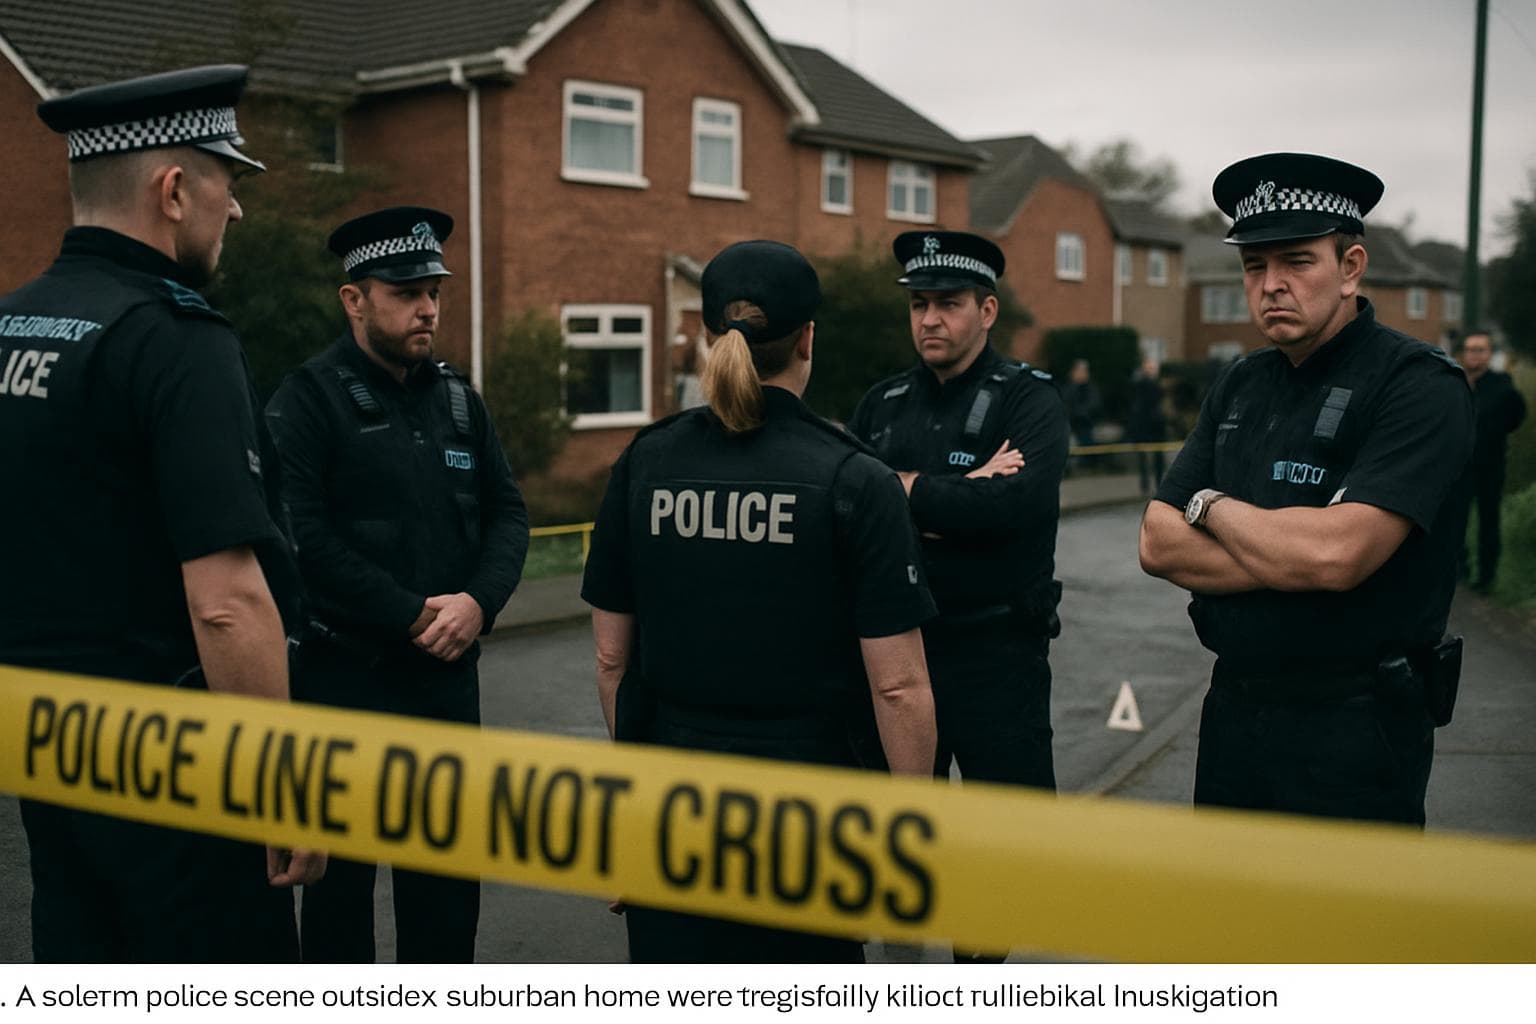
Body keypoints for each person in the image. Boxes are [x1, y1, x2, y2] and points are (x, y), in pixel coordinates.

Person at [0, 64, 323, 962]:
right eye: (227, 181)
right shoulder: (176, 339)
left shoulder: (11, 325)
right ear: (174, 191)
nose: (238, 208)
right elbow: (226, 602)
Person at [582, 239, 938, 963]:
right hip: (811, 814)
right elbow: (898, 688)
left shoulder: (645, 460)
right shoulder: (854, 478)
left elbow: (613, 661)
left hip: (672, 806)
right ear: (808, 338)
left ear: (712, 335)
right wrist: (904, 856)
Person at [1139, 152, 1474, 827]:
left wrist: (1210, 505)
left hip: (1357, 724)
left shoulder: (1416, 385)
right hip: (1235, 711)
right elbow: (1157, 542)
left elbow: (1336, 556)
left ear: (1350, 267)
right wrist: (1289, 553)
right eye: (1254, 265)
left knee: (1345, 901)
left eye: (1297, 261)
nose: (1271, 285)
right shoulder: (1241, 383)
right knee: (1226, 896)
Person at [264, 206, 530, 962]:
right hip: (345, 684)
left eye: (433, 292)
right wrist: (411, 614)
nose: (427, 308)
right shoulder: (307, 400)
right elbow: (301, 537)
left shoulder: (458, 400)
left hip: (443, 690)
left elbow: (509, 514)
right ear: (354, 299)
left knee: (444, 904)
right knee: (339, 906)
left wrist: (478, 603)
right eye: (406, 292)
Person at [847, 231, 1068, 799]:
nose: (929, 319)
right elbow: (846, 514)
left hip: (998, 654)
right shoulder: (883, 404)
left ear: (987, 310)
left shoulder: (1028, 400)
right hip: (900, 654)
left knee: (1011, 832)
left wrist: (898, 493)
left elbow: (1010, 507)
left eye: (949, 303)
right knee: (904, 824)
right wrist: (960, 491)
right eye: (918, 304)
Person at [1453, 330, 1527, 592]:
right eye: (1470, 349)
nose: (1474, 355)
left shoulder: (1501, 385)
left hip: (1489, 464)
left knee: (1488, 519)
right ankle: (1459, 567)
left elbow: (1517, 415)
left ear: (1488, 354)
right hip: (1458, 465)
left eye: (1480, 350)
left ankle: (1487, 577)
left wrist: (1493, 433)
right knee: (1454, 516)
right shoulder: (1456, 380)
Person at [1127, 356, 1169, 494]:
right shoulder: (1143, 386)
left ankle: (1155, 483)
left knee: (1157, 456)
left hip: (1155, 426)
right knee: (1145, 457)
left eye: (1153, 368)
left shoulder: (1154, 386)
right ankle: (1148, 483)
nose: (1152, 371)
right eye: (1149, 368)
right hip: (1146, 425)